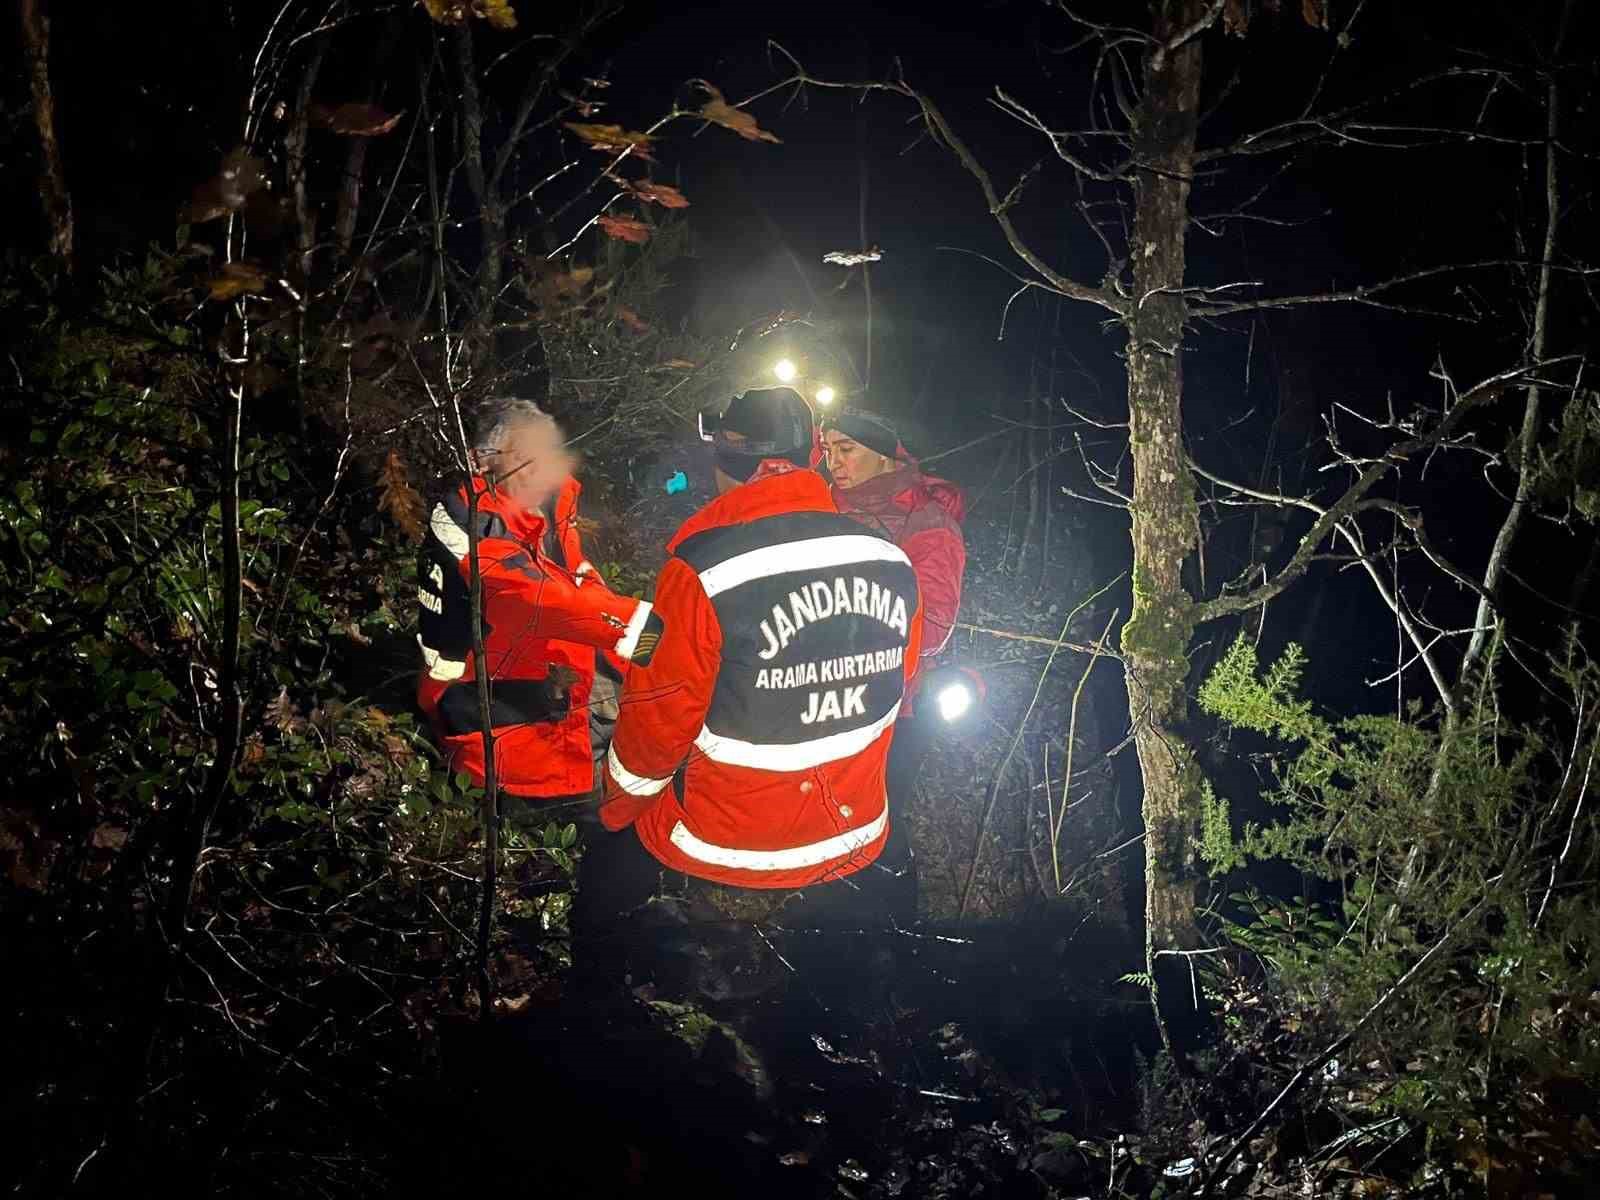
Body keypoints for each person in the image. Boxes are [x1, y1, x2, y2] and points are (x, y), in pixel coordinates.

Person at [575, 386, 924, 988]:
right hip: (856, 831)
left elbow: (656, 722)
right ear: (809, 458)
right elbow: (901, 677)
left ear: (731, 463)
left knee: (608, 861)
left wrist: (616, 809)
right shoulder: (891, 557)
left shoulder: (698, 570)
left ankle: (588, 983)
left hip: (722, 840)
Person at [415, 398, 662, 807]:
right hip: (505, 736)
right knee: (622, 820)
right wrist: (648, 633)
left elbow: (581, 585)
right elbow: (534, 599)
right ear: (483, 460)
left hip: (562, 702)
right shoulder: (466, 524)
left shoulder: (546, 509)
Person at [821, 405, 968, 915]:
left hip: (895, 705)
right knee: (823, 819)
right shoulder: (819, 507)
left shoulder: (926, 520)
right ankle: (826, 936)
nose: (833, 462)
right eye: (826, 451)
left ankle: (895, 943)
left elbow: (933, 624)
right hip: (818, 693)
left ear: (884, 456)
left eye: (847, 450)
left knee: (877, 819)